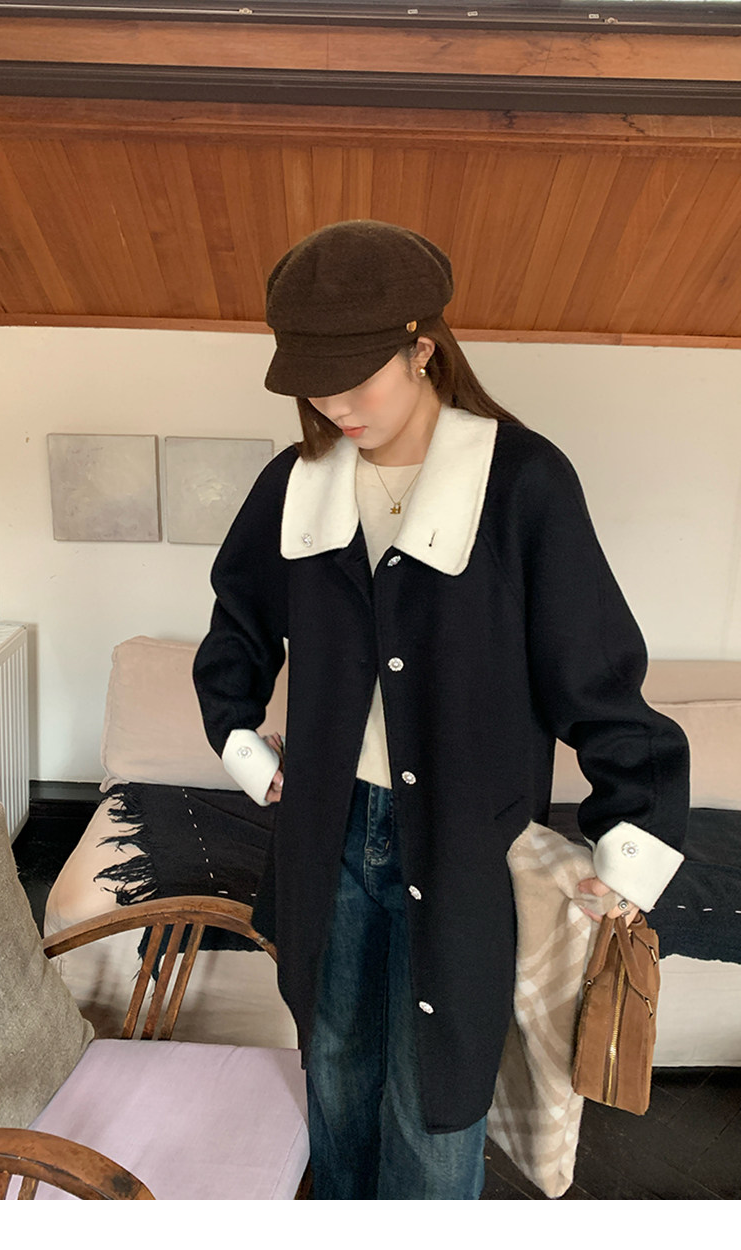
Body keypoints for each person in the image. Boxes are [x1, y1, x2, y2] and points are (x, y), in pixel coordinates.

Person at [193, 220, 690, 1200]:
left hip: (464, 845)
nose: (334, 406)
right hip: (326, 833)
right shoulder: (295, 483)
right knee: (336, 1068)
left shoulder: (522, 483)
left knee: (436, 1103)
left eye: (355, 380)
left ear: (422, 348)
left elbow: (594, 673)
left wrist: (630, 832)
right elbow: (237, 623)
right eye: (313, 387)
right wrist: (242, 741)